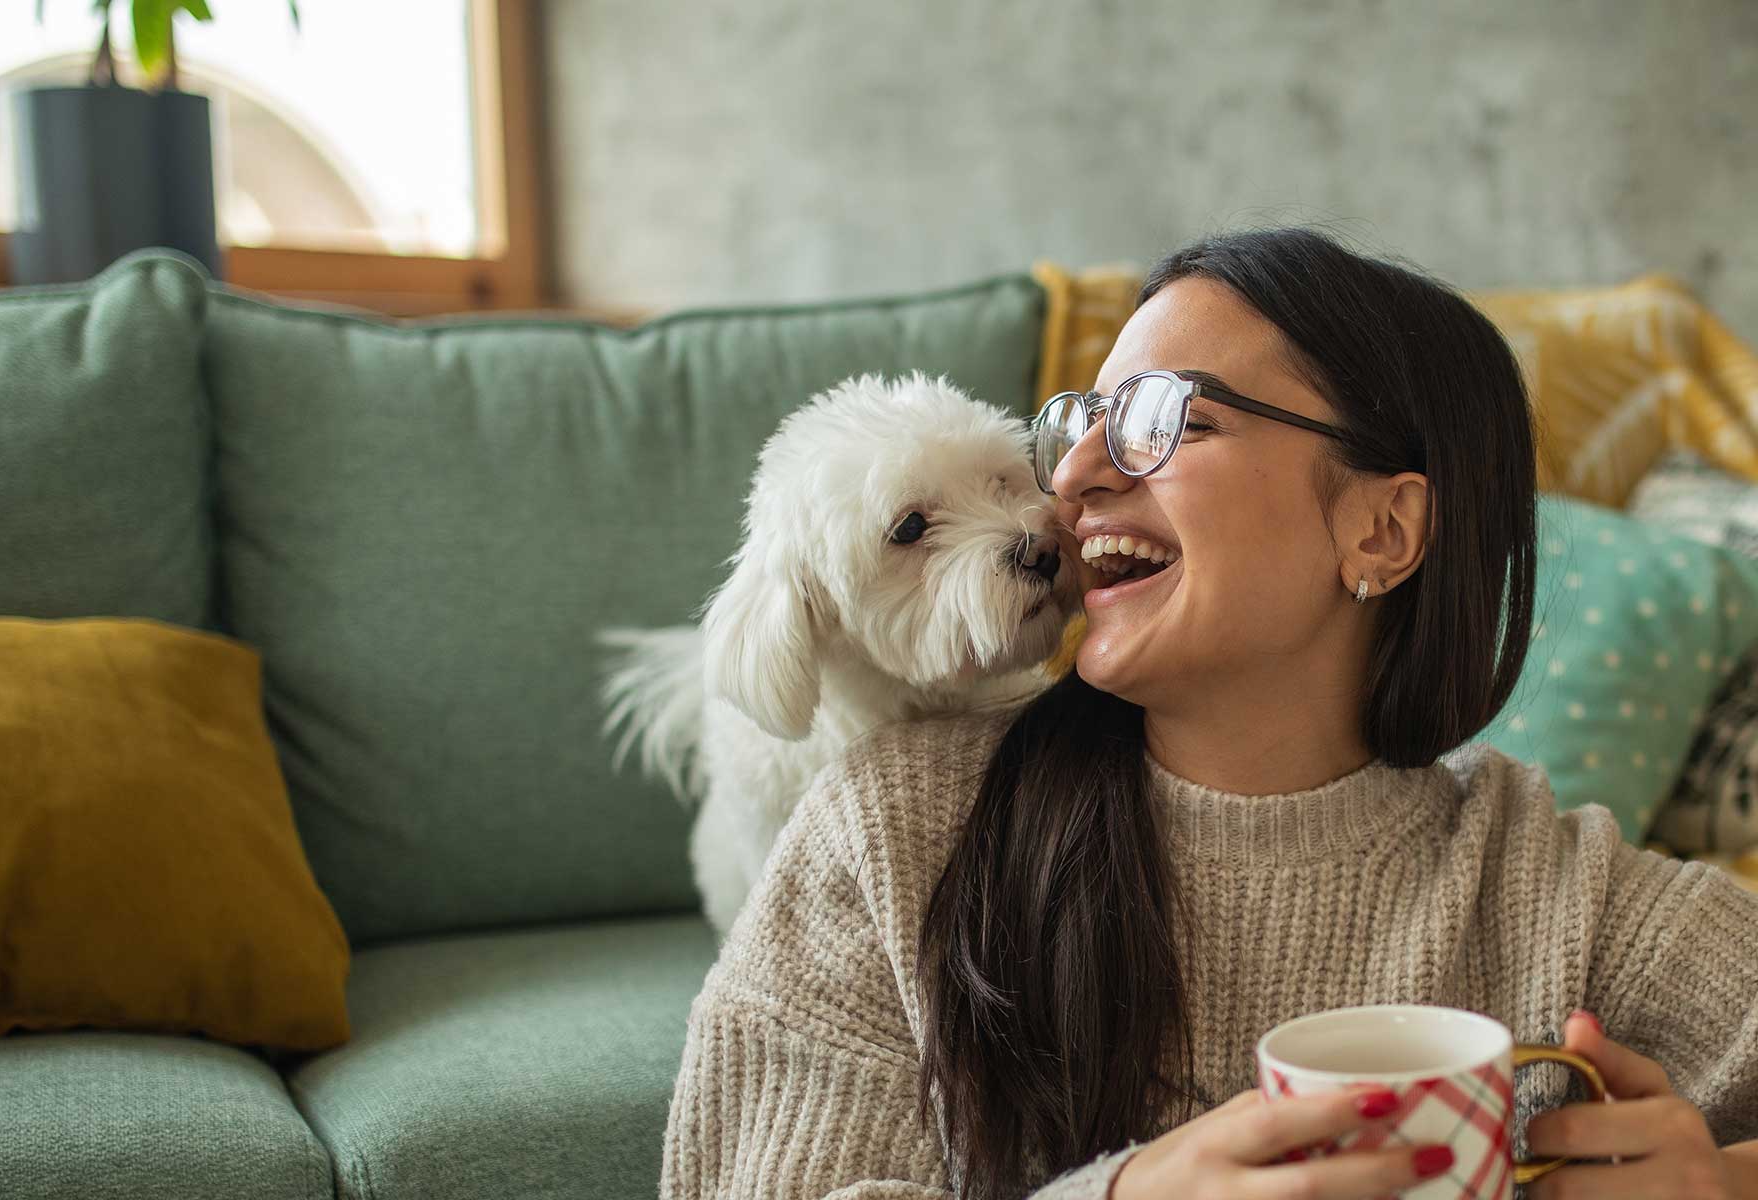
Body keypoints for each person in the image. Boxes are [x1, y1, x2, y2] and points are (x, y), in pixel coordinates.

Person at [656, 227, 1758, 1200]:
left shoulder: (1547, 891)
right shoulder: (893, 833)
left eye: (1156, 417)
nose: (1072, 479)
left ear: (1379, 531)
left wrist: (1720, 1181)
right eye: (1082, 421)